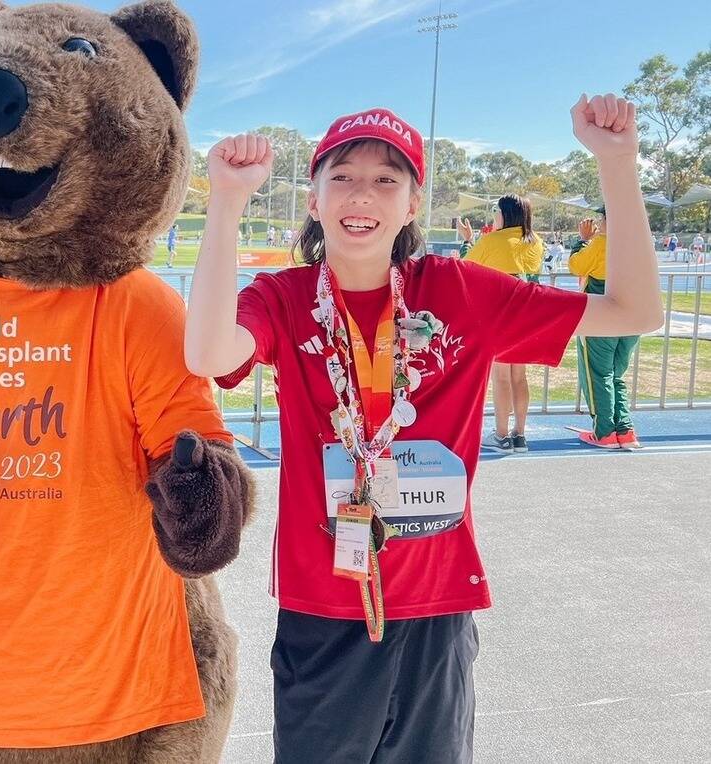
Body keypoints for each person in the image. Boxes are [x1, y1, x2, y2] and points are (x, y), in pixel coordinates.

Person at [185, 95, 660, 763]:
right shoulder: (283, 296)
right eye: (342, 176)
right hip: (322, 608)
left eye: (387, 180)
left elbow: (635, 309)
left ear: (412, 205)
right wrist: (226, 205)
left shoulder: (460, 290)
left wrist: (616, 163)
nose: (363, 194)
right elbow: (207, 354)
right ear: (314, 199)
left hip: (435, 604)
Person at [457, 194, 543, 452]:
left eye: (496, 210)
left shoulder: (492, 240)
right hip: (526, 311)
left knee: (501, 377)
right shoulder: (535, 241)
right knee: (520, 376)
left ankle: (501, 435)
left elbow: (466, 266)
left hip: (500, 311)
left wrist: (468, 241)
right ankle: (520, 434)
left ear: (504, 214)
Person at [569, 206, 643, 449]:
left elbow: (577, 266)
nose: (599, 223)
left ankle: (604, 432)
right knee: (616, 374)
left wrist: (582, 241)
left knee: (597, 375)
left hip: (602, 317)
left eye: (602, 218)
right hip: (632, 318)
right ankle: (625, 429)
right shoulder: (639, 242)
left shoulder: (602, 243)